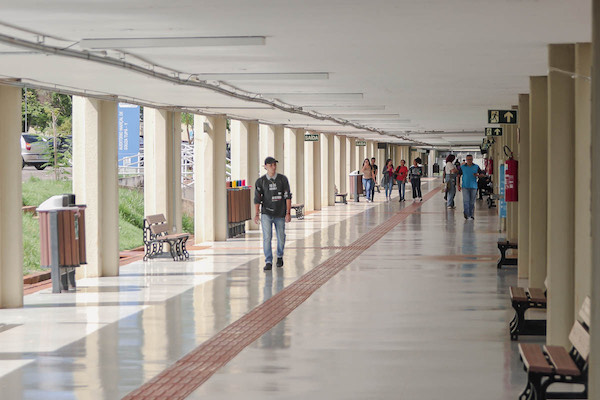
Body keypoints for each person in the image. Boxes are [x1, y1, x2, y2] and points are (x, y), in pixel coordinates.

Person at [254, 157, 292, 271]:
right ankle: (268, 261)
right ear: (265, 166)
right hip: (266, 213)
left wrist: (288, 213)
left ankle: (279, 255)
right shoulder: (261, 181)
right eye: (271, 165)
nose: (273, 167)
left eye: (274, 165)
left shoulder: (282, 179)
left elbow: (287, 197)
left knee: (281, 236)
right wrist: (257, 214)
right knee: (267, 237)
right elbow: (257, 199)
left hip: (280, 213)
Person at [457, 154, 484, 220]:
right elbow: (458, 176)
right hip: (465, 186)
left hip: (474, 186)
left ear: (472, 160)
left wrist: (478, 175)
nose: (469, 161)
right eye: (468, 159)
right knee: (466, 201)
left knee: (472, 202)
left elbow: (482, 175)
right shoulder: (462, 167)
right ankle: (467, 214)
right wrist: (458, 185)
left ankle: (471, 214)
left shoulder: (476, 167)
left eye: (471, 159)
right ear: (466, 160)